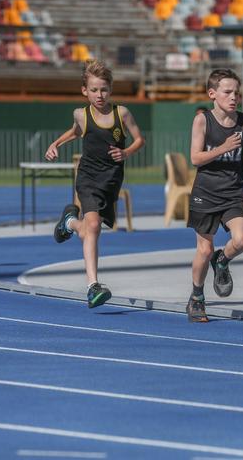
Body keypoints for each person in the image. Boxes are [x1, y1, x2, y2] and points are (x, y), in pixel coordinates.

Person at [45, 60, 145, 308]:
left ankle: (69, 222)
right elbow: (75, 132)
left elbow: (140, 140)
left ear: (110, 89)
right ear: (84, 91)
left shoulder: (121, 113)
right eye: (93, 90)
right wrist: (55, 144)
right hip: (88, 176)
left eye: (103, 89)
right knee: (94, 227)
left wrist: (127, 152)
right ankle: (93, 286)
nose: (99, 95)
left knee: (90, 228)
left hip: (111, 179)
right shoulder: (81, 114)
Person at [186, 68, 243, 323]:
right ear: (212, 94)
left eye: (236, 93)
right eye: (227, 92)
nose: (233, 97)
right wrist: (223, 148)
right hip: (205, 192)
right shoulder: (202, 120)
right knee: (204, 250)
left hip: (233, 191)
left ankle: (223, 260)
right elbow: (195, 158)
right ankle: (196, 297)